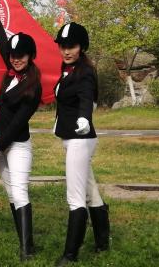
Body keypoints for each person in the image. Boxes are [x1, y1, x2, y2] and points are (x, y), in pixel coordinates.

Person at [0, 0, 42, 261]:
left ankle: (26, 250)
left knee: (20, 189)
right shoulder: (11, 73)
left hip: (16, 144)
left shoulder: (33, 86)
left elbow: (19, 122)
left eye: (21, 56)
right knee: (10, 192)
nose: (15, 58)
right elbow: (1, 43)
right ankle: (25, 240)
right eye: (13, 56)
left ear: (30, 57)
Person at [52, 22, 110, 266]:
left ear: (81, 47)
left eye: (72, 47)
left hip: (80, 138)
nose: (66, 51)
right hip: (74, 138)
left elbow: (87, 96)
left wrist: (85, 117)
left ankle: (70, 255)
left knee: (75, 197)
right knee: (91, 190)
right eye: (63, 46)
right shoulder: (68, 69)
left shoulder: (85, 71)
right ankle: (103, 243)